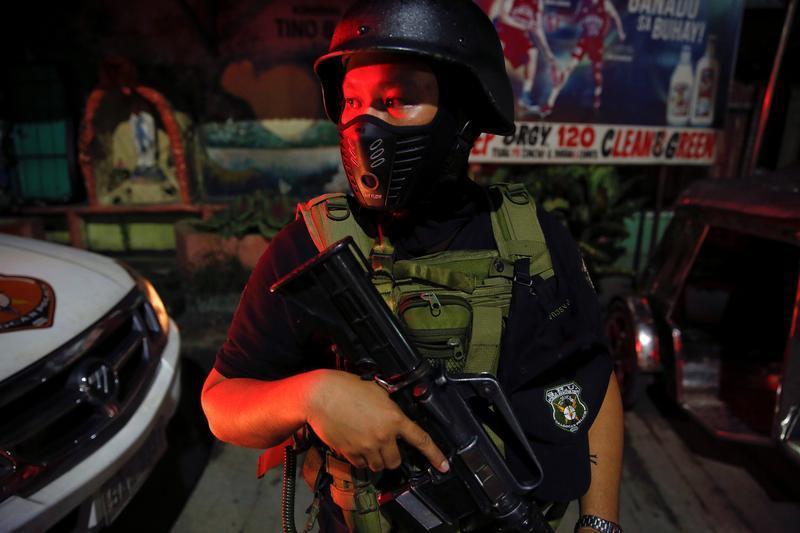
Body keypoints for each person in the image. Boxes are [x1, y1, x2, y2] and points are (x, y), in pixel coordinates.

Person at [201, 1, 623, 532]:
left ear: (464, 110)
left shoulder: (532, 240)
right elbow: (220, 403)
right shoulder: (310, 245)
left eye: (396, 99)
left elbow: (591, 380)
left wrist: (600, 524)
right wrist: (310, 395)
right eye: (353, 101)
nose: (365, 126)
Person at [541, 0, 626, 116]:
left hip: (596, 41)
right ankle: (550, 102)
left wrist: (620, 31)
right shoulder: (584, 3)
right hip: (584, 40)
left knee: (596, 72)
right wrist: (560, 18)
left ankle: (596, 99)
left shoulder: (604, 3)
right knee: (568, 68)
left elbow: (615, 16)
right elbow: (575, 18)